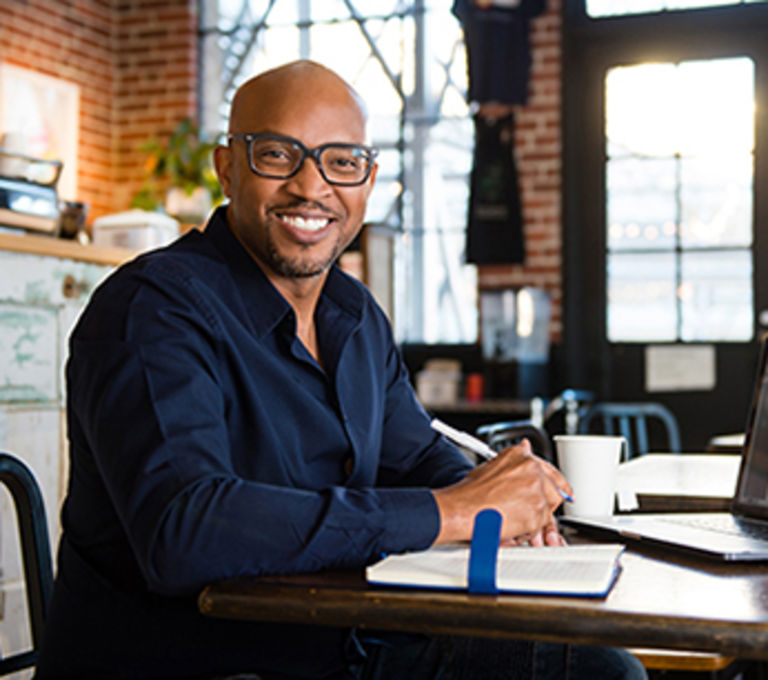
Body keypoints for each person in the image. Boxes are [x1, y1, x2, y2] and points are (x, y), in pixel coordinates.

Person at [35, 60, 646, 680]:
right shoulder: (151, 309)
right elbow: (185, 527)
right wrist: (457, 512)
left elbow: (416, 457)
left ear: (368, 179)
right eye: (278, 155)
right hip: (197, 664)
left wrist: (504, 504)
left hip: (336, 647)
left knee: (599, 669)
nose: (312, 186)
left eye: (342, 161)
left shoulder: (353, 315)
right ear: (227, 168)